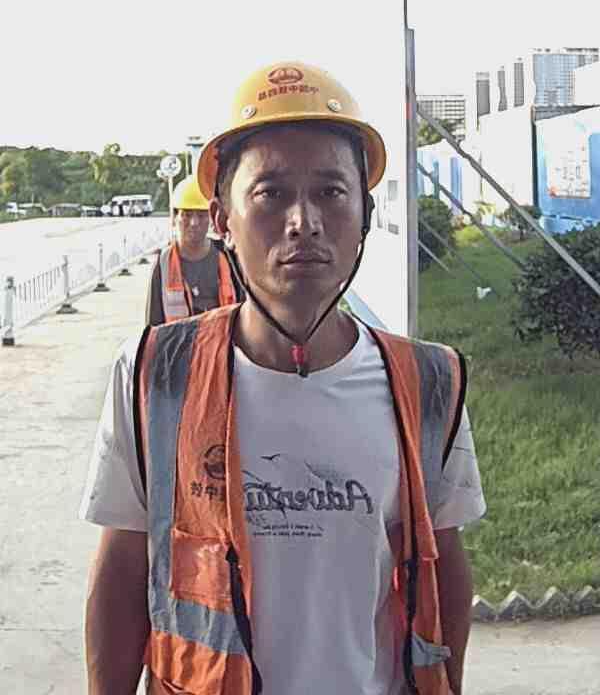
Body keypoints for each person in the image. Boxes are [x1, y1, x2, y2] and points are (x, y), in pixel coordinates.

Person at [80, 61, 485, 695]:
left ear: (365, 212)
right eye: (270, 193)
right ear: (222, 219)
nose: (304, 221)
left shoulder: (428, 383)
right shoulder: (157, 375)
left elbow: (445, 567)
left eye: (331, 191)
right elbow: (123, 568)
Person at [145, 173, 240, 324]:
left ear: (211, 217)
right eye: (187, 215)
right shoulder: (163, 263)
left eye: (201, 215)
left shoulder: (228, 256)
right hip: (178, 339)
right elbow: (153, 324)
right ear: (175, 218)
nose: (194, 223)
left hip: (221, 337)